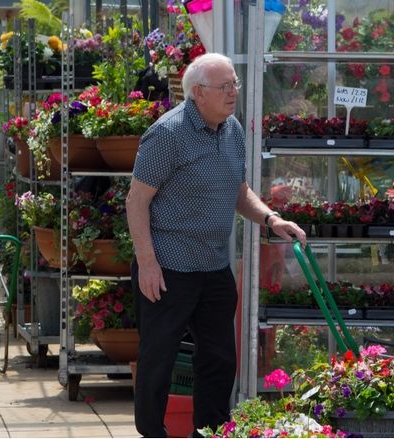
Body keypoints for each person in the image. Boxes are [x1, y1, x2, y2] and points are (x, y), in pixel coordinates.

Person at [126, 53, 307, 437]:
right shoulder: (168, 134)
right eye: (224, 87)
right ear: (197, 93)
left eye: (235, 85)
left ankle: (209, 432)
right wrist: (147, 262)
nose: (233, 93)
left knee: (220, 360)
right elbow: (136, 200)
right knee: (158, 360)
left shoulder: (232, 129)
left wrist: (271, 219)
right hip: (168, 267)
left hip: (212, 265)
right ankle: (151, 433)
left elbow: (237, 190)